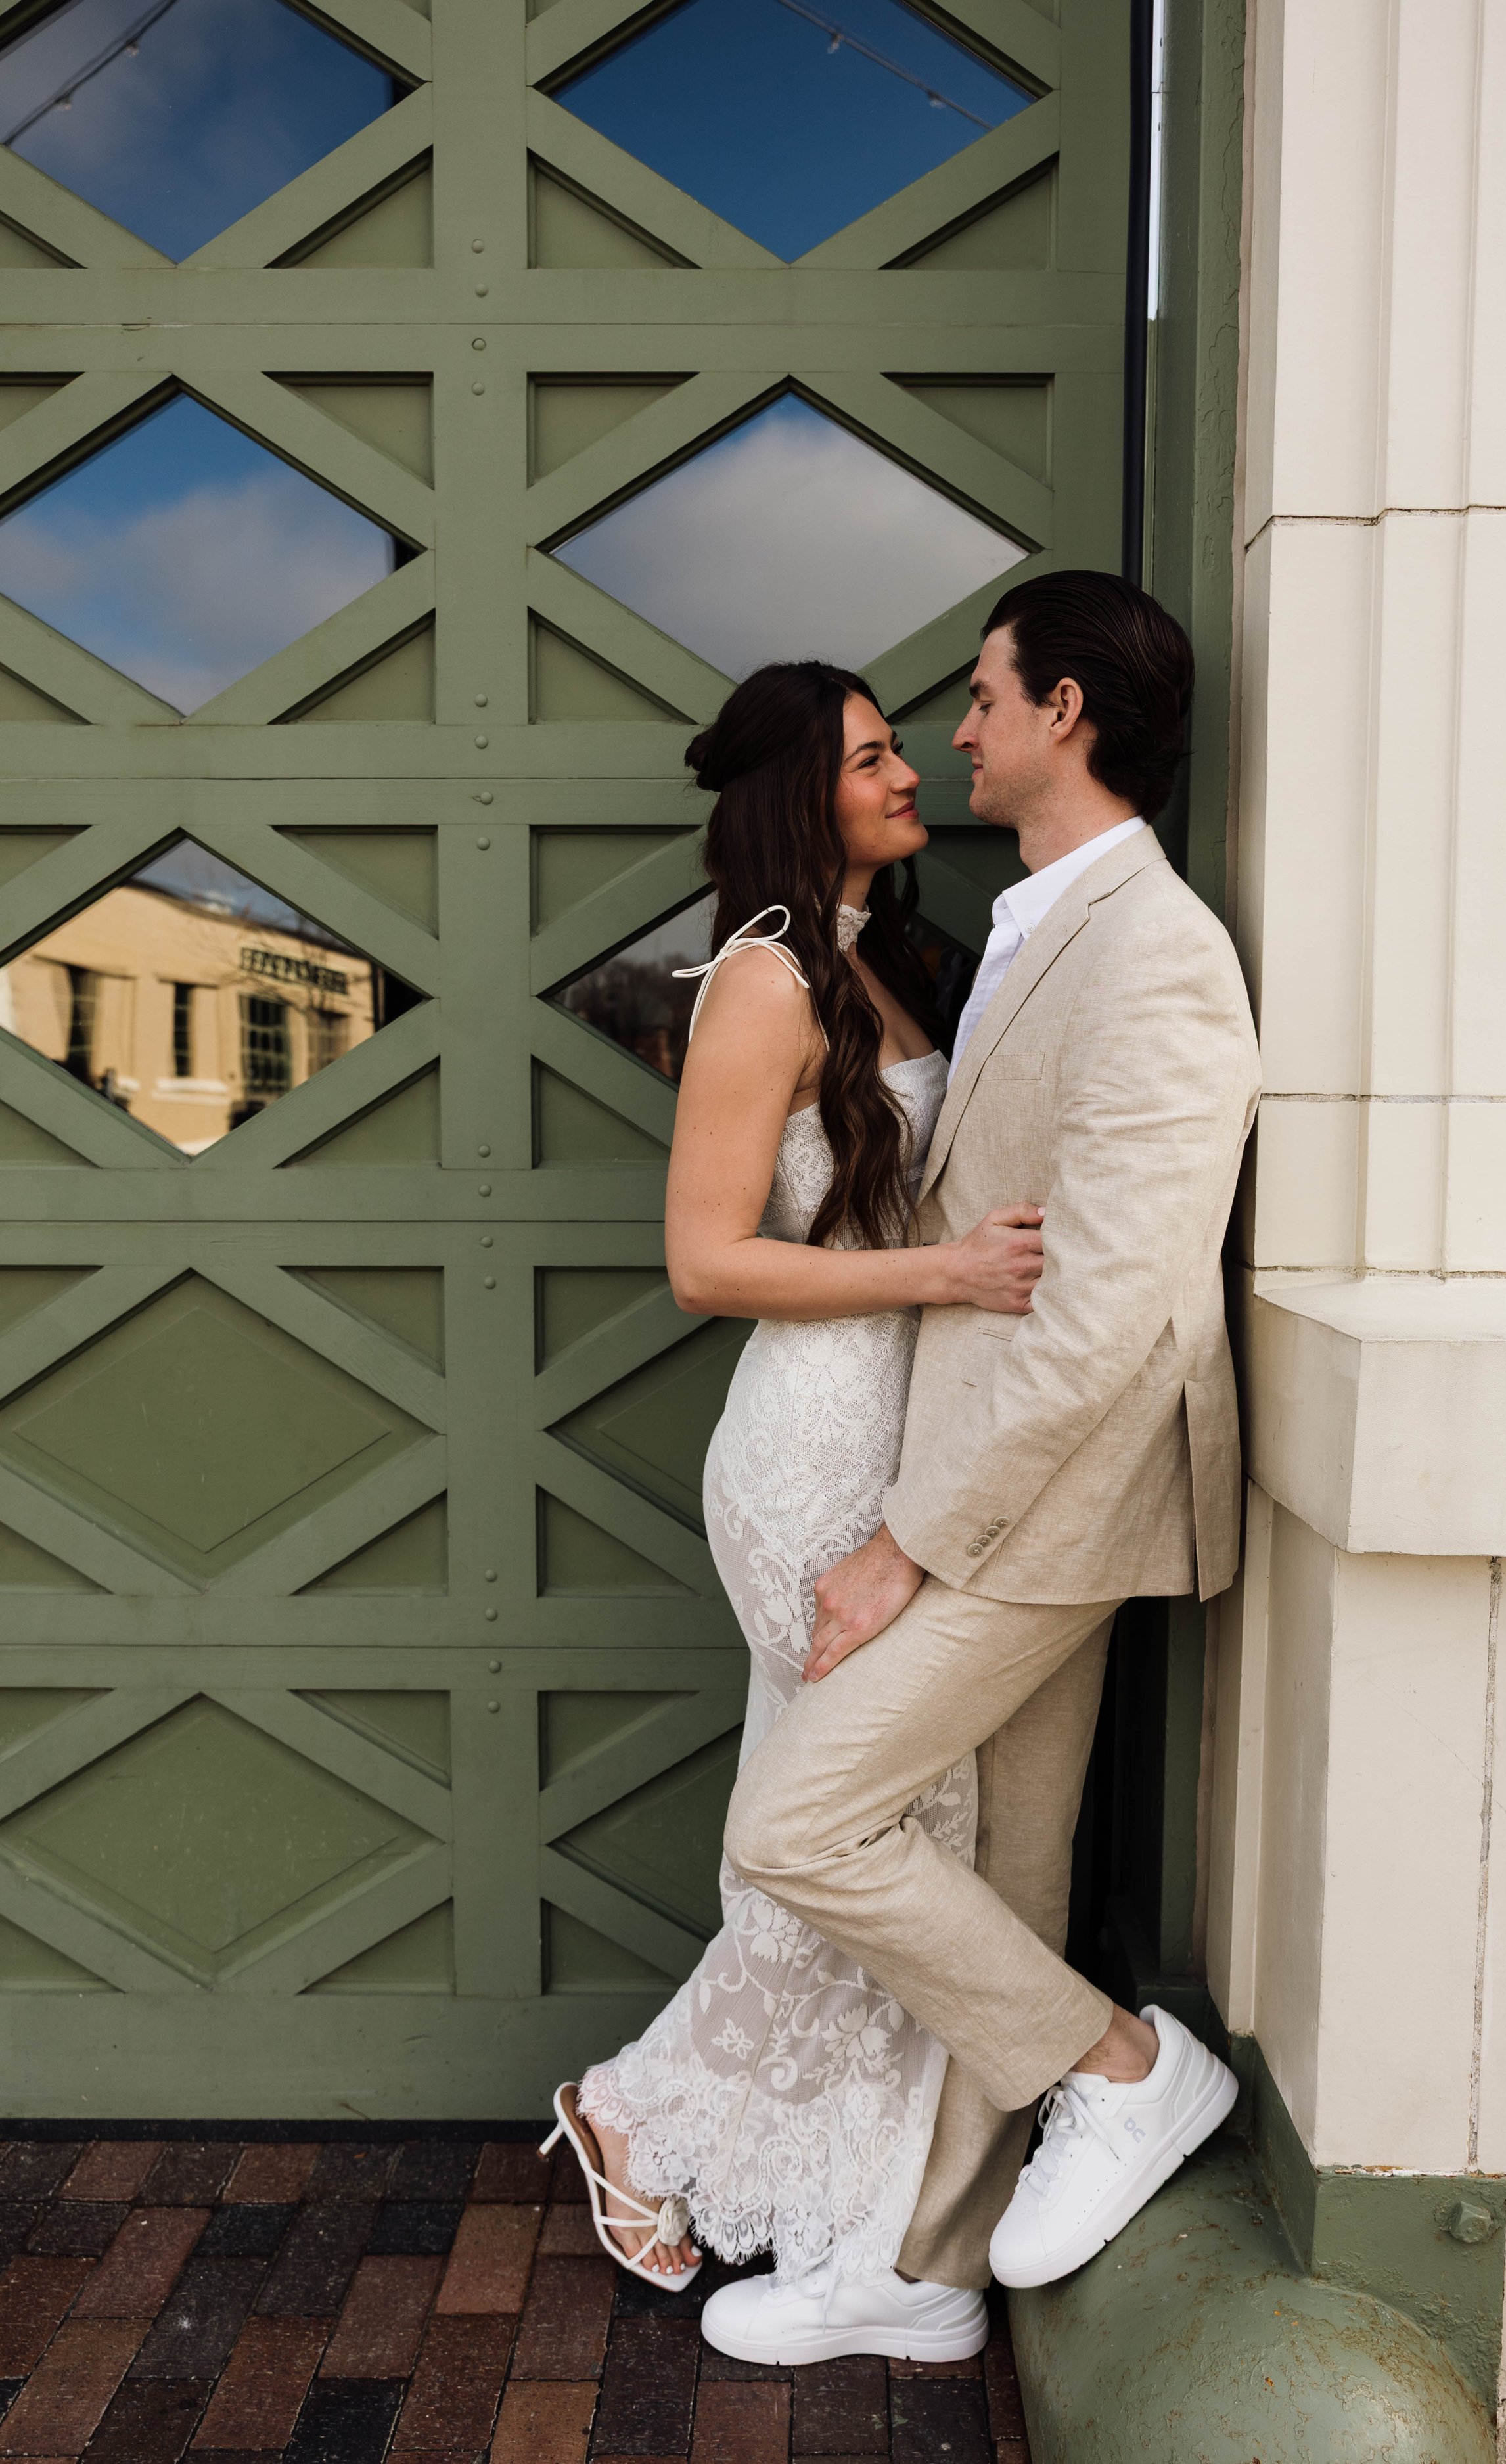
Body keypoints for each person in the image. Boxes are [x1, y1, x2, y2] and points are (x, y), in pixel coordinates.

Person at [701, 570, 1261, 2362]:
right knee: (1005, 1873)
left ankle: (1123, 2064)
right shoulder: (1016, 922)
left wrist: (906, 1544)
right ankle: (928, 2274)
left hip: (1043, 1506)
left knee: (798, 1823)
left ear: (1068, 711)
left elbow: (1107, 1316)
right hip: (964, 1472)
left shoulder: (1159, 951)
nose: (956, 733)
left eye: (982, 695)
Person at [542, 661, 1046, 2363]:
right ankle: (636, 2114)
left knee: (858, 1832)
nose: (909, 772)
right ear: (794, 792)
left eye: (904, 744)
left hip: (910, 1454)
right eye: (871, 755)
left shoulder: (883, 962)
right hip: (813, 1458)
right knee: (872, 1832)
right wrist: (952, 1272)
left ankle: (837, 2204)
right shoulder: (761, 981)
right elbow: (707, 1262)